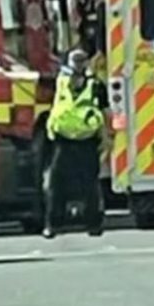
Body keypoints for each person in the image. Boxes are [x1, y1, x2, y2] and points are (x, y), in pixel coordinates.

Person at [43, 48, 107, 238]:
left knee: (90, 186)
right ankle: (53, 225)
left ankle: (94, 224)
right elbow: (40, 83)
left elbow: (104, 112)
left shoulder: (95, 85)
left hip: (87, 141)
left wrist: (106, 138)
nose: (78, 64)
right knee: (56, 185)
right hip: (63, 142)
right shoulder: (60, 82)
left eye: (81, 60)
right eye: (75, 60)